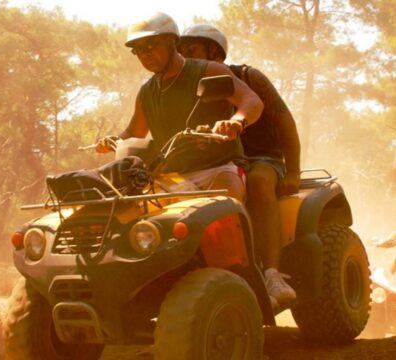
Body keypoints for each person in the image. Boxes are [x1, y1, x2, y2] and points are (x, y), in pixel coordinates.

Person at [178, 24, 301, 306]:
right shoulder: (188, 86)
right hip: (219, 161)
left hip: (262, 158)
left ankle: (271, 273)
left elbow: (285, 121)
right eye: (181, 52)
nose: (186, 56)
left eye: (192, 49)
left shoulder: (248, 76)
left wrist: (293, 170)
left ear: (215, 52)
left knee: (257, 182)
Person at [96, 12, 264, 203]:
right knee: (138, 216)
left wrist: (236, 121)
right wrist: (114, 141)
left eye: (150, 45)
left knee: (224, 208)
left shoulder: (207, 70)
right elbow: (135, 132)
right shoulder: (147, 92)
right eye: (137, 49)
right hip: (172, 177)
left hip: (219, 169)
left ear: (172, 42)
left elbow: (251, 100)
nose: (144, 54)